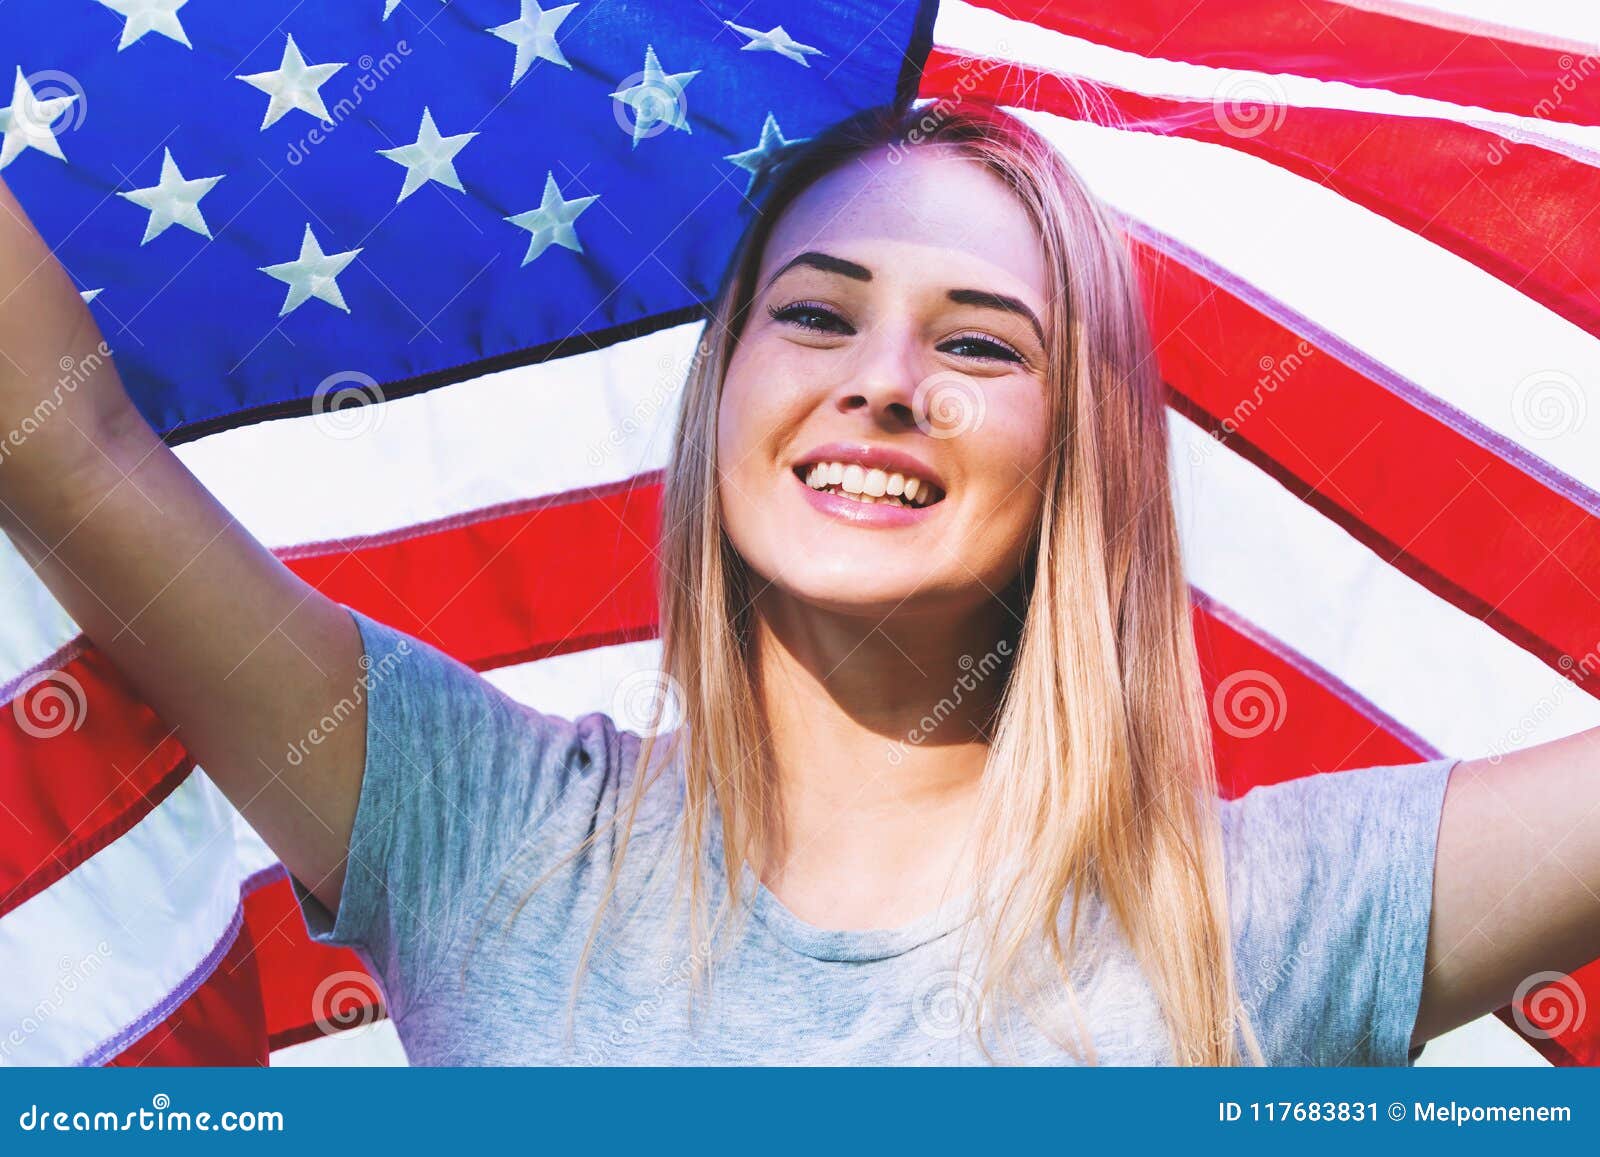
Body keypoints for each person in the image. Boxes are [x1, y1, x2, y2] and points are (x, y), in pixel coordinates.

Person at [0, 101, 1593, 1066]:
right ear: (724, 396)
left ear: (1082, 454)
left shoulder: (1262, 915)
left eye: (980, 343)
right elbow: (66, 447)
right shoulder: (474, 823)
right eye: (819, 315)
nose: (885, 381)